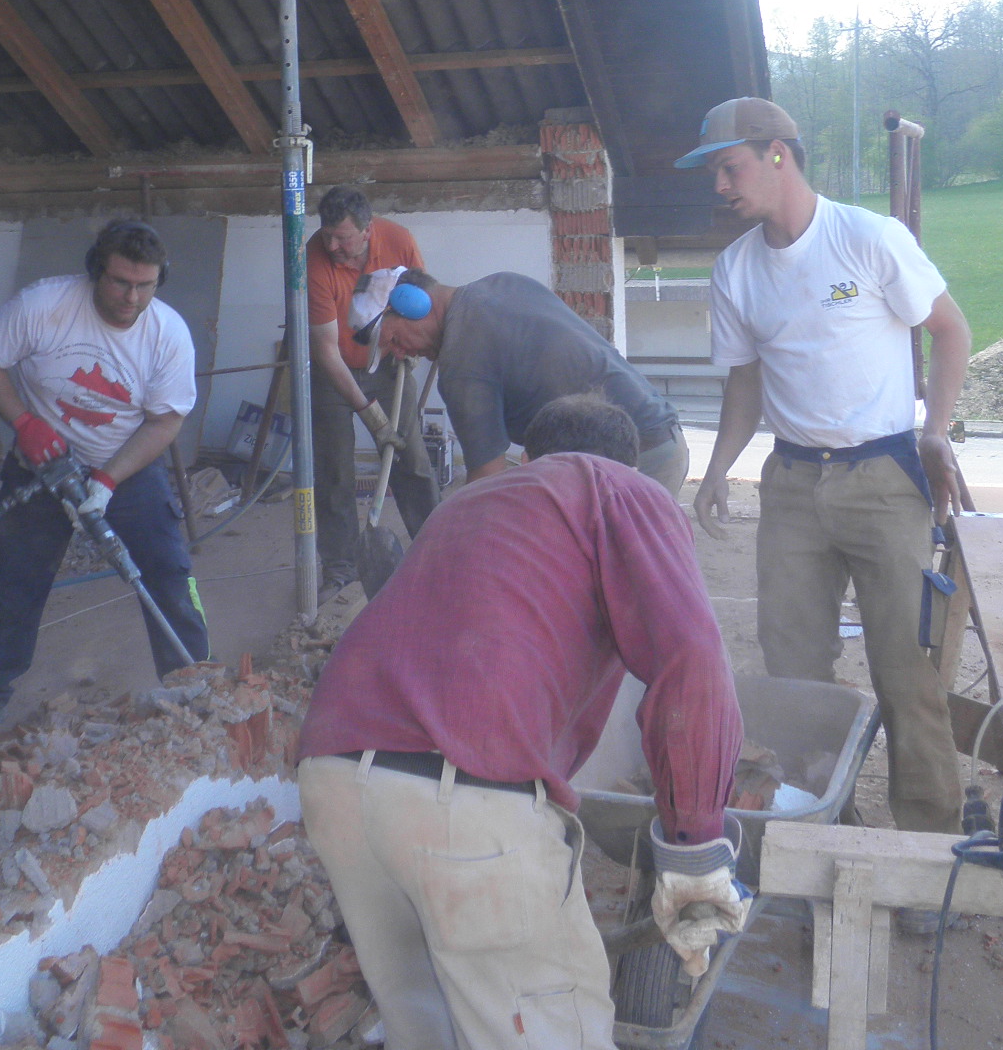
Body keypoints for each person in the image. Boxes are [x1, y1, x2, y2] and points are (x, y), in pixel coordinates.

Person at [296, 395, 746, 1048]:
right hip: (459, 803)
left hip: (332, 783)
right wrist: (696, 852)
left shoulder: (469, 505)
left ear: (526, 457)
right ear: (632, 464)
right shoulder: (618, 488)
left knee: (426, 1030)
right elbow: (693, 661)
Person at [684, 97, 971, 834]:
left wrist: (934, 431)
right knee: (792, 674)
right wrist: (717, 468)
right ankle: (820, 829)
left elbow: (950, 330)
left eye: (730, 168)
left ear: (779, 154)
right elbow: (745, 380)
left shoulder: (867, 239)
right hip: (790, 485)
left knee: (907, 672)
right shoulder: (735, 270)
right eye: (715, 173)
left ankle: (928, 842)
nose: (719, 186)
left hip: (884, 479)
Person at [0, 220, 208, 723]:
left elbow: (166, 421)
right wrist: (23, 422)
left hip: (127, 467)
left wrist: (108, 480)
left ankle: (195, 683)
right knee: (13, 582)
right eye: (120, 282)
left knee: (168, 575)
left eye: (145, 286)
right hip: (41, 466)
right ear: (96, 271)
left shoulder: (168, 334)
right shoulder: (43, 306)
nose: (132, 298)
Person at [372, 269, 690, 496]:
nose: (400, 354)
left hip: (634, 463)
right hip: (664, 439)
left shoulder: (460, 362)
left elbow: (487, 478)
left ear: (414, 304)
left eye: (394, 340)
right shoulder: (504, 282)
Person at [305, 185, 437, 590]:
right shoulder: (315, 257)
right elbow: (326, 350)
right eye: (327, 234)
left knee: (410, 461)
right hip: (334, 372)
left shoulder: (398, 241)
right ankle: (341, 569)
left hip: (390, 365)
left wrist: (415, 348)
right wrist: (371, 415)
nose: (332, 245)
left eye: (342, 237)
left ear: (367, 230)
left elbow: (422, 302)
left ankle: (436, 552)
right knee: (334, 471)